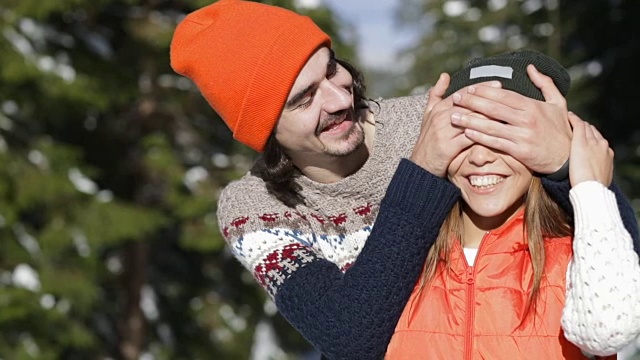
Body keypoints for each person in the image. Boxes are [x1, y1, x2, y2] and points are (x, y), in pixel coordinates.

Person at [169, 1, 640, 358]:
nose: (338, 100)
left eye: (332, 69)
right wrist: (423, 173)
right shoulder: (255, 210)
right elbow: (349, 337)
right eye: (303, 98)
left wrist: (561, 165)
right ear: (263, 131)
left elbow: (615, 259)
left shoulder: (434, 118)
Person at [386, 51, 640, 359]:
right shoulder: (398, 259)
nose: (480, 157)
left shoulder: (581, 251)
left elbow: (608, 332)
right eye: (465, 135)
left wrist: (589, 188)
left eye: (503, 134)